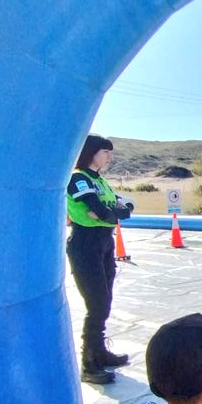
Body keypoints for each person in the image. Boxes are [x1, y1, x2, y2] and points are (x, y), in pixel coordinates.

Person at [66, 134, 134, 385]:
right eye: (105, 151)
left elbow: (121, 208)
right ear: (91, 152)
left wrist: (114, 213)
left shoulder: (99, 181)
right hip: (86, 244)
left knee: (104, 301)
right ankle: (89, 363)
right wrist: (114, 213)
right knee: (96, 303)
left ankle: (100, 352)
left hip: (105, 242)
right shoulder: (78, 179)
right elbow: (100, 211)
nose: (109, 156)